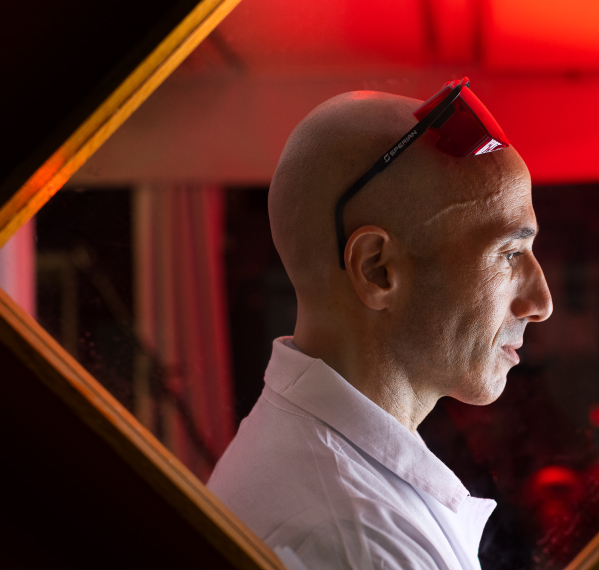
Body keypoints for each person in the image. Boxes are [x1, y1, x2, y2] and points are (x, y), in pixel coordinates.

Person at [207, 79, 552, 570]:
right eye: (510, 253)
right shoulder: (360, 543)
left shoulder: (313, 469)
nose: (541, 302)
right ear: (377, 270)